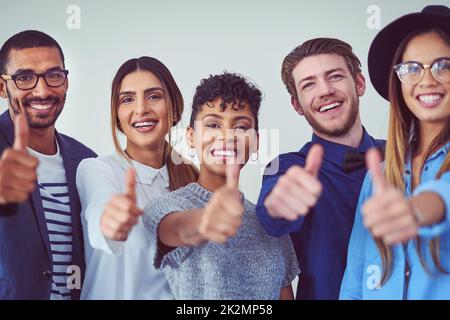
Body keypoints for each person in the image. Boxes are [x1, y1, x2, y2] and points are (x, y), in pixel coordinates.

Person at [142, 72, 300, 299]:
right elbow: (175, 229)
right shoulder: (166, 207)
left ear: (256, 141)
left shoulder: (271, 226)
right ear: (191, 137)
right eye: (213, 124)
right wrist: (204, 222)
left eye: (241, 127)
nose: (227, 136)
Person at [255, 38, 385, 300]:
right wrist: (279, 206)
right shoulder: (287, 167)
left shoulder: (405, 155)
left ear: (359, 84)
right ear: (297, 105)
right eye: (309, 84)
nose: (325, 90)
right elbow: (273, 217)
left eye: (335, 76)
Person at [340, 5, 450, 300]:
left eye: (444, 65)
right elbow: (355, 279)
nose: (427, 80)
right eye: (412, 68)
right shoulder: (379, 178)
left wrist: (417, 210)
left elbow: (442, 197)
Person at [76, 57, 198, 299]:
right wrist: (109, 221)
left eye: (153, 96)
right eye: (128, 99)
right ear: (118, 115)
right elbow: (101, 203)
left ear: (173, 107)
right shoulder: (98, 170)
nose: (141, 109)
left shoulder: (194, 180)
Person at [0, 30, 96, 299]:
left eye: (54, 75)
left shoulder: (86, 161)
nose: (42, 91)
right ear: (2, 87)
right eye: (24, 78)